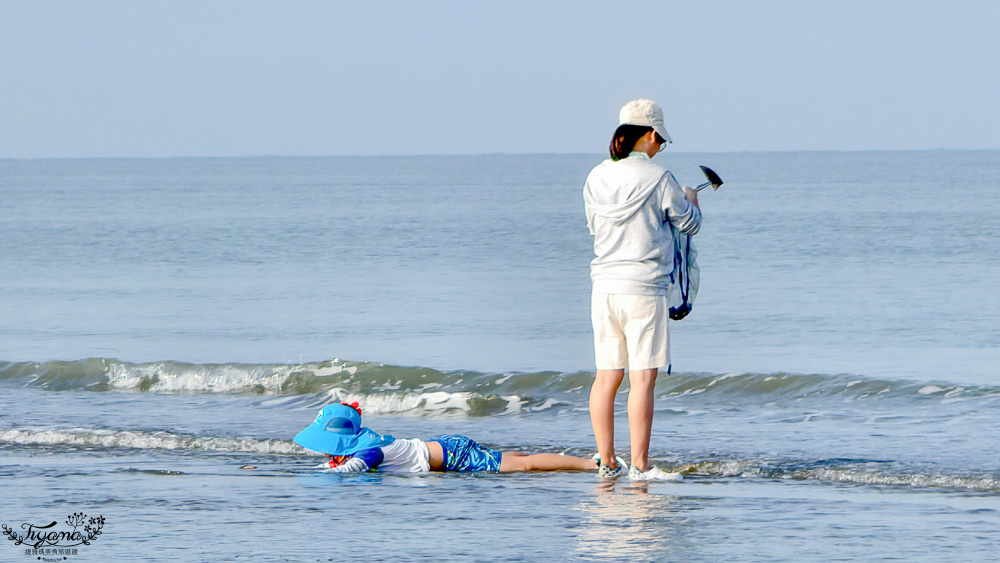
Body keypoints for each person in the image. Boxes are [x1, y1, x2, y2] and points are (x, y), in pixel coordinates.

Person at [583, 99, 701, 481]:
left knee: (606, 377)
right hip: (644, 289)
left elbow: (593, 228)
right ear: (649, 135)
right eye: (661, 140)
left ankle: (606, 461)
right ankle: (641, 465)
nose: (661, 147)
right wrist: (693, 199)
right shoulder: (658, 178)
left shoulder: (595, 176)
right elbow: (689, 224)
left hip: (603, 288)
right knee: (643, 379)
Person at [294, 402, 600, 474]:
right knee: (514, 460)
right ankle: (574, 459)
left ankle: (590, 463)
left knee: (525, 466)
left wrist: (323, 474)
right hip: (443, 447)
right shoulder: (361, 447)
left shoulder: (371, 450)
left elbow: (352, 470)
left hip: (455, 455)